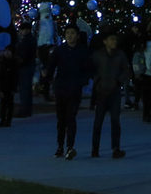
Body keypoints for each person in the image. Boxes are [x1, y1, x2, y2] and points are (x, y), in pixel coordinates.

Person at [52, 23, 93, 159]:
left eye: (72, 33)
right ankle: (60, 146)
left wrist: (82, 82)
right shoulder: (60, 50)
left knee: (71, 118)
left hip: (74, 89)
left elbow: (87, 69)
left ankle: (70, 146)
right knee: (61, 119)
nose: (70, 36)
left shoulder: (82, 51)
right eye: (68, 33)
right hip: (61, 88)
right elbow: (51, 66)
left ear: (77, 35)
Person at [89, 30, 130, 159]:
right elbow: (92, 69)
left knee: (115, 121)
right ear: (105, 41)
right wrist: (97, 82)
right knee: (98, 122)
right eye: (111, 39)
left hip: (114, 92)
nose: (114, 42)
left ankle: (116, 148)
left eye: (115, 40)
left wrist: (119, 81)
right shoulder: (98, 55)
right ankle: (95, 149)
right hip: (101, 92)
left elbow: (126, 70)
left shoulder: (120, 55)